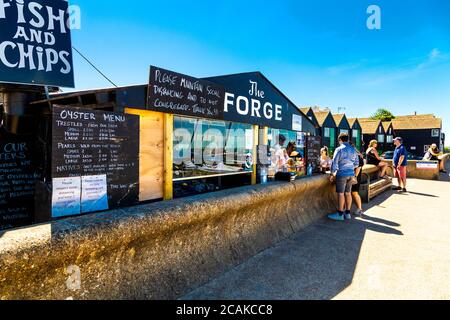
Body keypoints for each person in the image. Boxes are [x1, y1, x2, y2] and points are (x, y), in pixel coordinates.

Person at [328, 133, 360, 221]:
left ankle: (340, 214)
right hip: (351, 174)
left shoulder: (339, 149)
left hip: (342, 174)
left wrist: (332, 174)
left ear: (340, 140)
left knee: (341, 193)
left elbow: (334, 162)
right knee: (348, 193)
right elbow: (357, 163)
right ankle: (348, 213)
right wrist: (350, 168)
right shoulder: (353, 149)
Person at [350, 142, 365, 216]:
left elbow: (358, 169)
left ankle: (359, 209)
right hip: (354, 177)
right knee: (353, 192)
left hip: (355, 177)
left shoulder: (357, 156)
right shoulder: (358, 155)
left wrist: (354, 177)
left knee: (355, 192)